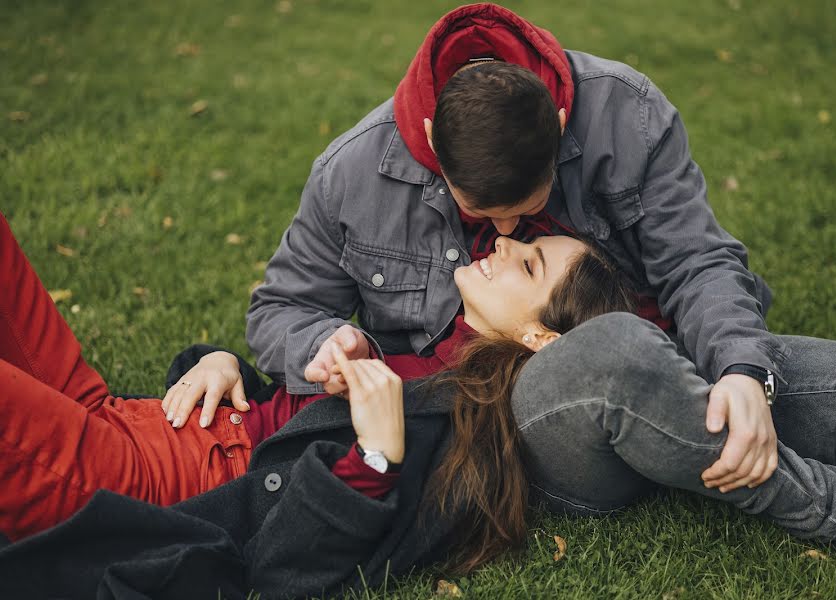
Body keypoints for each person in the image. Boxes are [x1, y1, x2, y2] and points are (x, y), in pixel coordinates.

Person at [246, 3, 784, 520]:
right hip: (479, 434)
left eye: (527, 208)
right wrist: (326, 344)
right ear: (433, 140)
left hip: (656, 370)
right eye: (480, 211)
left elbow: (698, 262)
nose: (504, 235)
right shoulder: (349, 175)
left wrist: (744, 371)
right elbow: (279, 310)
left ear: (560, 121)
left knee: (773, 389)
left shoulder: (630, 117)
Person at [0, 211, 634, 596]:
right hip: (125, 417)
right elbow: (292, 430)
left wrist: (378, 458)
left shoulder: (462, 430)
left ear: (539, 337)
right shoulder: (431, 353)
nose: (502, 246)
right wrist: (222, 364)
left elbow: (286, 566)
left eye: (528, 266)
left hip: (145, 479)